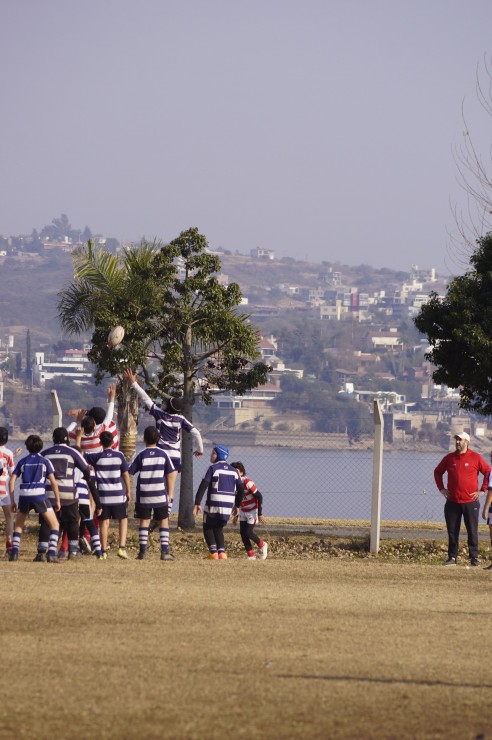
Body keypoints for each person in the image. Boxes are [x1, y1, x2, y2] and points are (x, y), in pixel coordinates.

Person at [123, 368, 203, 516]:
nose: (163, 404)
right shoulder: (181, 419)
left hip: (161, 456)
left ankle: (154, 511)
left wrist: (133, 383)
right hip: (175, 457)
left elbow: (146, 398)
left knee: (158, 485)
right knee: (170, 488)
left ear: (168, 407)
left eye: (166, 403)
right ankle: (165, 514)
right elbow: (196, 432)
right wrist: (200, 449)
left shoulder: (160, 415)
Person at [36, 428, 102, 561]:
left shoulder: (45, 454)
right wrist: (87, 479)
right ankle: (72, 552)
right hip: (68, 494)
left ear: (53, 439)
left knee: (46, 523)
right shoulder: (72, 452)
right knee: (72, 521)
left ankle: (41, 552)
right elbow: (86, 468)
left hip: (49, 495)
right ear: (67, 439)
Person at [434, 431, 490, 566]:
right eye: (456, 440)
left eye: (460, 440)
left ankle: (474, 558)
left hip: (470, 502)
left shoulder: (476, 457)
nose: (457, 442)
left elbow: (488, 471)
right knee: (452, 531)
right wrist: (441, 488)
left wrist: (482, 490)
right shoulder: (449, 458)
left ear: (467, 442)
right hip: (452, 502)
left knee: (472, 530)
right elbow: (437, 472)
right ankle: (452, 558)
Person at [8, 435, 61, 563]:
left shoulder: (23, 461)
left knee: (19, 525)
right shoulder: (44, 461)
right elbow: (53, 482)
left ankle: (14, 553)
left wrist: (12, 501)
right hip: (39, 495)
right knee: (55, 525)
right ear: (41, 446)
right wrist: (58, 500)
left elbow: (12, 480)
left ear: (27, 447)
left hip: (24, 495)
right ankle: (52, 553)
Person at [128, 426, 176, 561]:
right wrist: (170, 493)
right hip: (160, 494)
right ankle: (164, 551)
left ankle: (142, 552)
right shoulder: (163, 454)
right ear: (158, 439)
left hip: (144, 494)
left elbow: (130, 471)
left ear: (144, 439)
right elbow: (171, 472)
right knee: (163, 521)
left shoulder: (141, 454)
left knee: (144, 521)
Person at [83, 430, 131, 560]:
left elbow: (81, 453)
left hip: (103, 495)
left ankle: (103, 551)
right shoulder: (119, 455)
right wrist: (128, 491)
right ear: (113, 441)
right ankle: (121, 548)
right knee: (123, 519)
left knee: (104, 522)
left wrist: (79, 436)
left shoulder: (97, 457)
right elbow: (126, 474)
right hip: (118, 494)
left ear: (100, 443)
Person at [193, 445, 244, 560]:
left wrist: (197, 502)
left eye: (213, 453)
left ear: (219, 455)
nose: (211, 455)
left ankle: (213, 553)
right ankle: (222, 553)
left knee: (208, 526)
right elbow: (241, 489)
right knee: (219, 527)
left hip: (213, 504)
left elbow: (204, 485)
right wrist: (237, 505)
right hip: (227, 506)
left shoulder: (212, 468)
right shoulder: (234, 471)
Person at [231, 461, 268, 560]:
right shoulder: (232, 484)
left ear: (242, 473)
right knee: (243, 533)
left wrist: (260, 514)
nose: (234, 474)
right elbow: (237, 500)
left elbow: (259, 496)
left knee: (248, 532)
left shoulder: (247, 482)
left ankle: (263, 545)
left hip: (252, 511)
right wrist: (236, 515)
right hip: (243, 511)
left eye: (237, 471)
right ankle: (251, 555)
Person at [67, 384, 119, 452]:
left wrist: (77, 421)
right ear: (94, 426)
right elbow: (109, 417)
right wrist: (112, 398)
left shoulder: (79, 435)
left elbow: (65, 432)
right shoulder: (105, 429)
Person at [0, 427, 21, 558]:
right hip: (4, 489)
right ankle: (9, 545)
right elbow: (12, 470)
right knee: (9, 517)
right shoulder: (8, 453)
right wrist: (14, 456)